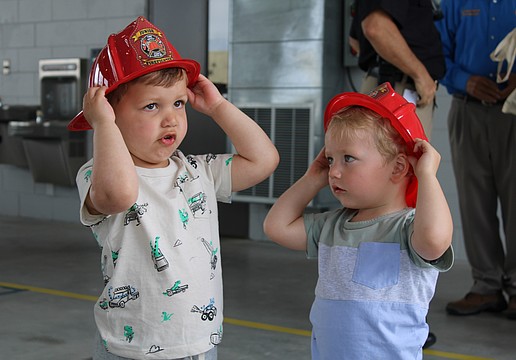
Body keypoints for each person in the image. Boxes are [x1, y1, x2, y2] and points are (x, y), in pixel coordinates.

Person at [67, 17, 279, 359]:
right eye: (152, 106)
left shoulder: (198, 171)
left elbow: (263, 160)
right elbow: (120, 193)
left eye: (178, 103)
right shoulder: (96, 173)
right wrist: (102, 124)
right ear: (109, 112)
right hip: (131, 347)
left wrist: (219, 108)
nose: (171, 119)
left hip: (199, 340)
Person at [263, 82, 454, 359]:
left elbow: (434, 241)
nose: (334, 172)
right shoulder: (332, 226)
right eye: (330, 159)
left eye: (348, 158)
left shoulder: (408, 229)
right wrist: (311, 179)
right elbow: (276, 227)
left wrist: (426, 176)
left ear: (399, 167)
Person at [435, 1, 516, 319]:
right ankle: (486, 287)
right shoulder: (456, 2)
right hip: (467, 108)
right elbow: (436, 53)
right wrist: (464, 79)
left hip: (514, 110)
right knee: (474, 201)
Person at [349, 0, 446, 139]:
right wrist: (421, 76)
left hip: (389, 85)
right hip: (398, 88)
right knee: (401, 159)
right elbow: (376, 27)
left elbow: (355, 41)